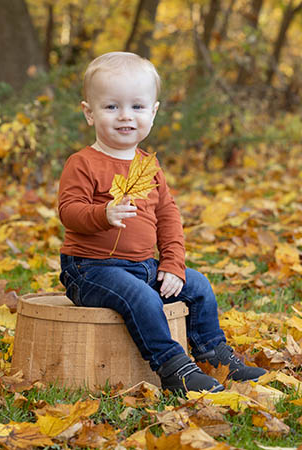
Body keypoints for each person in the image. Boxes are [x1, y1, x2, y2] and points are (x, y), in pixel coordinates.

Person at [58, 51, 266, 395]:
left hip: (142, 265)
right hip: (90, 269)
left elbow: (168, 217)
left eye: (137, 107)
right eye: (112, 107)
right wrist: (102, 214)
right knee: (142, 297)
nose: (126, 116)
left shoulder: (148, 167)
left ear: (153, 112)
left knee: (197, 285)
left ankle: (216, 357)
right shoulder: (82, 163)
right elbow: (69, 210)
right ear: (88, 113)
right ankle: (173, 367)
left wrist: (172, 264)